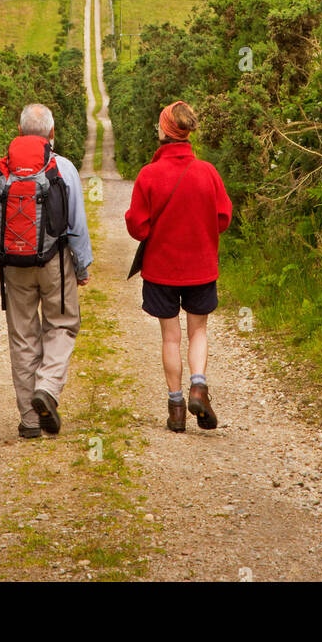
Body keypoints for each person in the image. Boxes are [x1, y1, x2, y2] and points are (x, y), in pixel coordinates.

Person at [0, 102, 92, 438]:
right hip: (55, 264)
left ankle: (29, 420)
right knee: (62, 325)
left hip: (14, 267)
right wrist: (81, 267)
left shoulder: (1, 172)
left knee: (23, 338)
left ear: (20, 130)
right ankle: (48, 388)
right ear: (52, 134)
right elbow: (77, 226)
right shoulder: (63, 168)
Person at [125, 100, 232, 432]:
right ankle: (198, 385)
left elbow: (138, 227)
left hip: (161, 271)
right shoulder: (208, 173)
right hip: (200, 269)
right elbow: (223, 217)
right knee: (198, 330)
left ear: (164, 131)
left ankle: (176, 408)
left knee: (171, 337)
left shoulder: (149, 174)